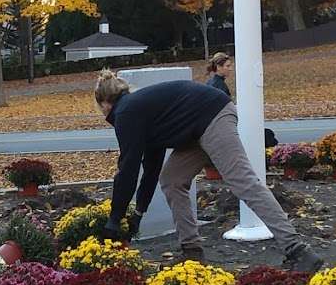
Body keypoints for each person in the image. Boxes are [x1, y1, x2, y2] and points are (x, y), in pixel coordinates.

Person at [95, 70, 323, 271]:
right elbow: (151, 168)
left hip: (213, 115)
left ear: (105, 102)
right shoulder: (138, 110)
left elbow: (128, 169)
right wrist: (138, 215)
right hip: (195, 128)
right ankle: (191, 252)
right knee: (172, 179)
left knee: (242, 181)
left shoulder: (126, 112)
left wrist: (114, 219)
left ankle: (298, 250)